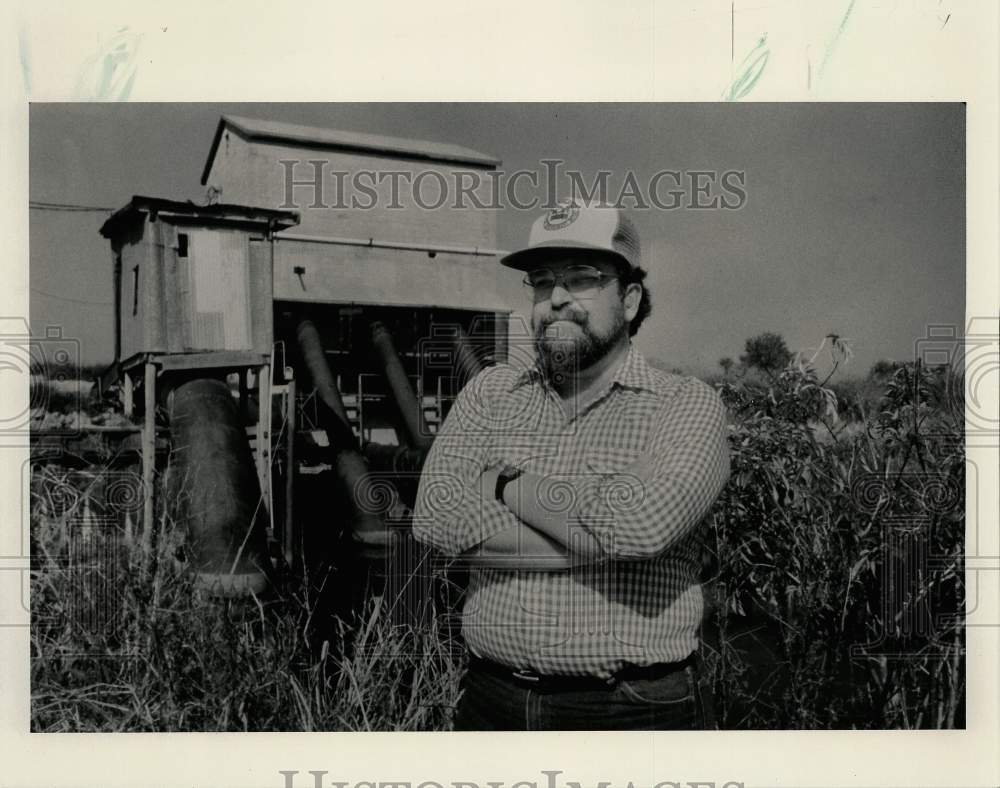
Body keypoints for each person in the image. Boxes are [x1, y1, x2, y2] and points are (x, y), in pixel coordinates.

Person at [412, 200, 730, 731]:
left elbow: (640, 528)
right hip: (491, 702)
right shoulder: (490, 393)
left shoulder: (686, 404)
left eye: (581, 279)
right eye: (541, 283)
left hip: (627, 709)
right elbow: (434, 517)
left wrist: (502, 482)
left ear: (629, 300)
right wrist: (597, 537)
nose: (556, 299)